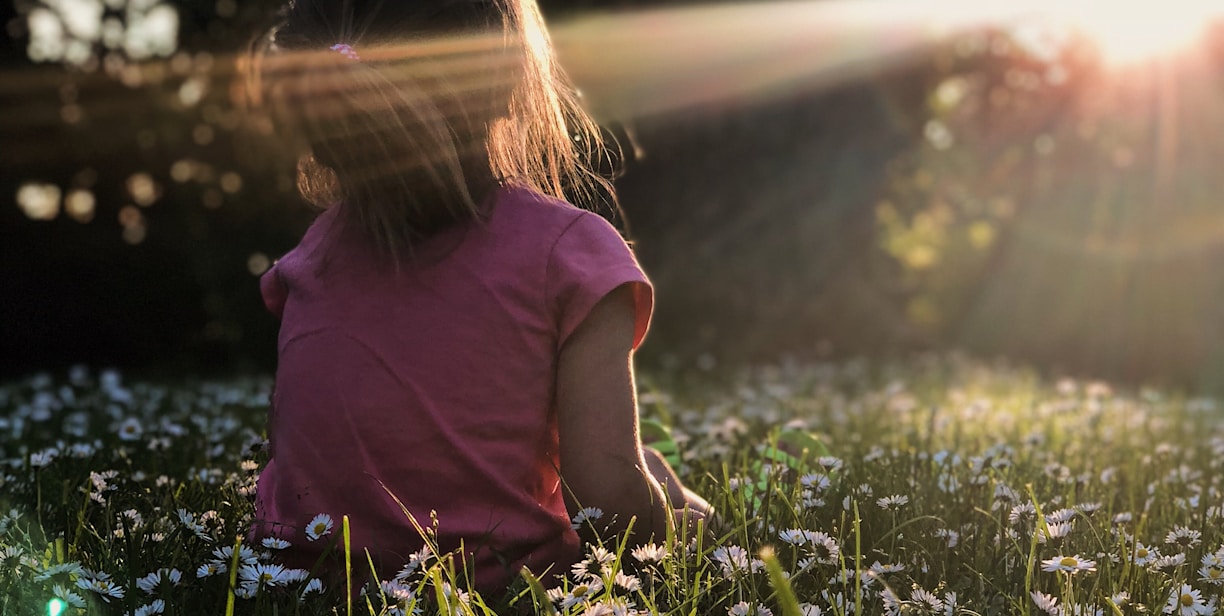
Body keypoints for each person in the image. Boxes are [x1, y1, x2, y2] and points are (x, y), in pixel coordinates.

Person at [246, 0, 712, 594]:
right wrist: (688, 528)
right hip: (493, 590)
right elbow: (608, 501)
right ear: (508, 81)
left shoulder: (310, 259)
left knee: (652, 467)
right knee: (661, 489)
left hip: (301, 587)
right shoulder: (568, 254)